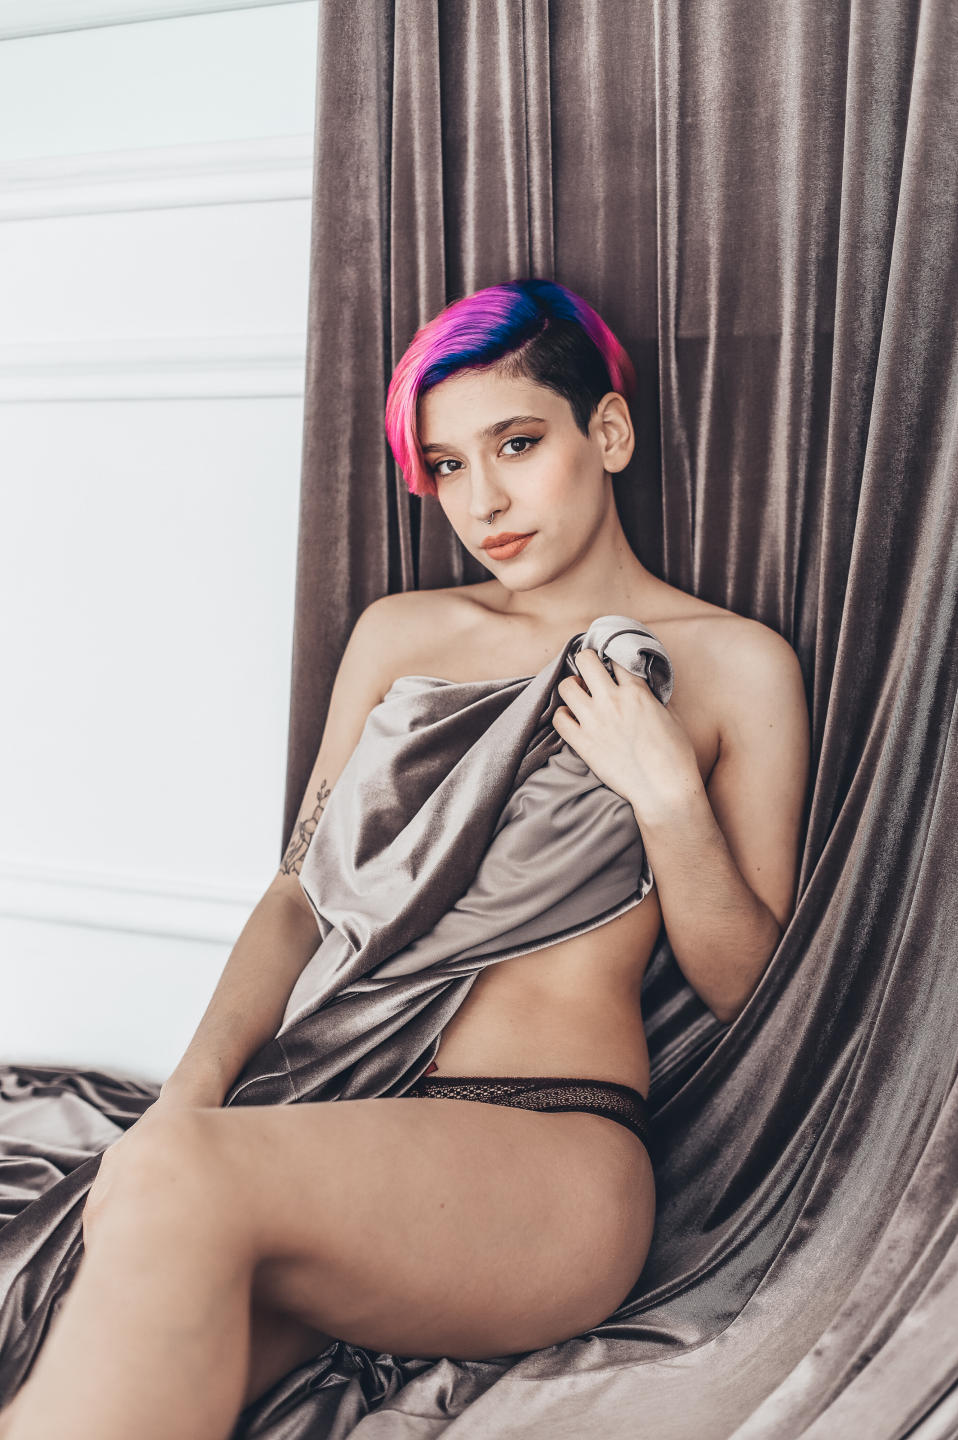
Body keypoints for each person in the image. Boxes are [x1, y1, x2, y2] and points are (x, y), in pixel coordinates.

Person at [0, 278, 810, 1440]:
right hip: (336, 1119)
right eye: (446, 466)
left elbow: (748, 987)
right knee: (100, 1357)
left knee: (179, 1188)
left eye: (516, 445)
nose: (483, 500)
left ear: (607, 433)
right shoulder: (403, 633)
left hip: (549, 1156)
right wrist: (184, 1101)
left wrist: (667, 795)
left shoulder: (736, 667)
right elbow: (297, 895)